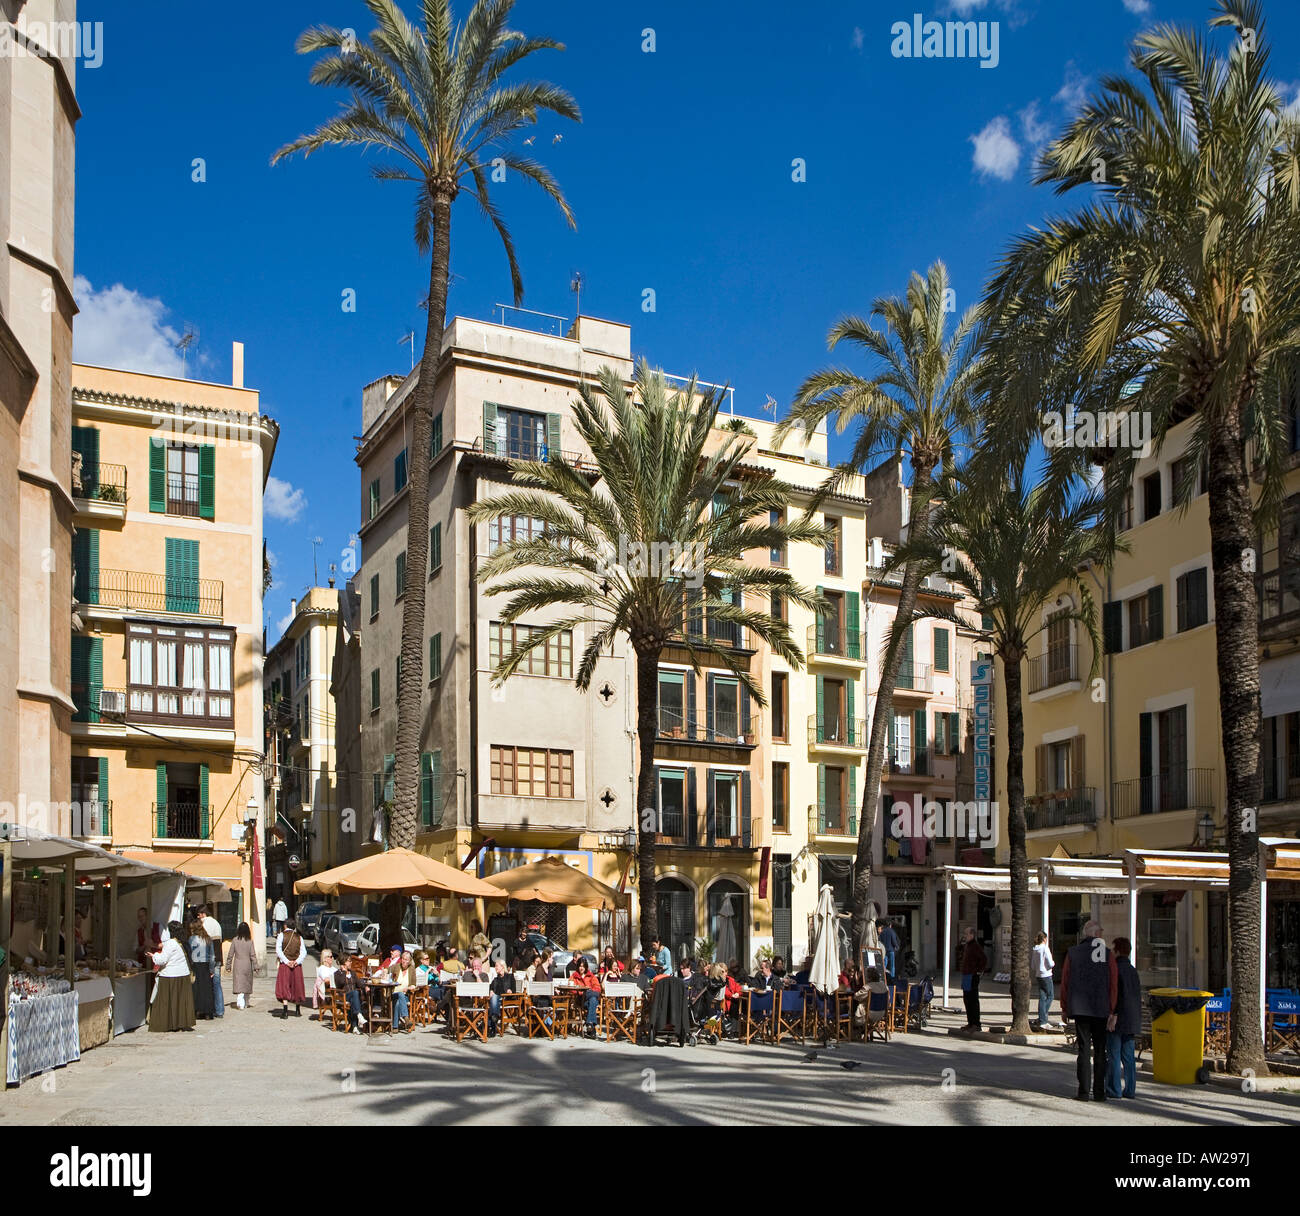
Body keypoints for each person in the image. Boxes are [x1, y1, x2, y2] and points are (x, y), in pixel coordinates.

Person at [1060, 920, 1118, 1102]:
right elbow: (1113, 983)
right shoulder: (1108, 955)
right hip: (1101, 1008)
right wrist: (1112, 1010)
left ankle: (1083, 1092)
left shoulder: (1073, 953)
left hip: (1080, 1008)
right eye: (1101, 932)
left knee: (1084, 1050)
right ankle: (1099, 1092)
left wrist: (1064, 1007)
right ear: (1097, 934)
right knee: (1101, 1051)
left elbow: (1065, 981)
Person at [1106, 936, 1141, 1100]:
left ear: (1118, 951)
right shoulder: (1133, 970)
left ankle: (1114, 1089)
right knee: (1128, 1058)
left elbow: (1116, 994)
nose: (1111, 952)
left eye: (1113, 949)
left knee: (1114, 1054)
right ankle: (1130, 1089)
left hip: (1118, 1018)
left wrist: (1113, 1014)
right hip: (1132, 1019)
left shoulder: (1115, 970)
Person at [148, 921, 197, 1032]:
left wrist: (154, 955)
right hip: (182, 974)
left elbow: (162, 960)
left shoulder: (170, 943)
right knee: (180, 1001)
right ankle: (181, 1022)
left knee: (167, 1001)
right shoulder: (182, 942)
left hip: (170, 975)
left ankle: (168, 1024)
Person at [275, 918, 307, 1018]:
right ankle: (297, 1010)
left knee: (284, 985)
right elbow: (304, 952)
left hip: (285, 965)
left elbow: (278, 950)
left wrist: (287, 961)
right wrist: (296, 962)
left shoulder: (281, 935)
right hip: (296, 965)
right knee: (297, 985)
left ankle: (285, 1011)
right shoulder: (299, 937)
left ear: (285, 926)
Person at [959, 927, 988, 1032]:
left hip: (972, 976)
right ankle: (970, 1022)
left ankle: (976, 1023)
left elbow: (983, 959)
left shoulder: (975, 946)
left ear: (972, 935)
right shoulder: (967, 946)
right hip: (966, 975)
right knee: (966, 999)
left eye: (966, 934)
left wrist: (979, 971)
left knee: (973, 999)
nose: (964, 936)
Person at [197, 905, 224, 1018]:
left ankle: (212, 1009)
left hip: (210, 959)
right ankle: (220, 1010)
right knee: (217, 984)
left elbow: (205, 943)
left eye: (198, 915)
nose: (198, 918)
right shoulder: (216, 923)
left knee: (209, 985)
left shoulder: (205, 923)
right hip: (218, 957)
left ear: (203, 914)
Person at [188, 919, 216, 1020]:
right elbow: (212, 955)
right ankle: (208, 1012)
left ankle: (197, 1010)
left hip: (195, 965)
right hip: (205, 965)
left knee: (196, 989)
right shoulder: (207, 939)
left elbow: (189, 953)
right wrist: (212, 969)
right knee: (207, 990)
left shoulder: (191, 939)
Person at [225, 922, 257, 1009]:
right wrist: (256, 966)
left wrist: (228, 966)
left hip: (238, 964)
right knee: (246, 983)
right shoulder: (250, 941)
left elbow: (230, 954)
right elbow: (253, 955)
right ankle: (246, 1002)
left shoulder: (235, 940)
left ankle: (240, 1002)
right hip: (247, 964)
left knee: (239, 983)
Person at [334, 955, 367, 1035]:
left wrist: (365, 986)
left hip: (353, 998)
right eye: (349, 961)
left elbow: (359, 983)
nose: (351, 963)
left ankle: (355, 1027)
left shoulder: (352, 973)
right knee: (355, 993)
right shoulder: (338, 973)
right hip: (344, 997)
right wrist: (344, 972)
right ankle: (359, 1015)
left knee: (355, 997)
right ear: (344, 963)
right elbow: (340, 983)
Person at [1032, 931, 1058, 1029]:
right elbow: (1050, 963)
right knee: (1050, 996)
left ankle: (1041, 1018)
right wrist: (1053, 964)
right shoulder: (1045, 949)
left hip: (1038, 974)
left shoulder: (1035, 949)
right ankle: (1043, 1017)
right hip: (1046, 975)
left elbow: (1033, 965)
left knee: (1042, 996)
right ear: (1044, 939)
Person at [854, 966, 890, 1030]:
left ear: (868, 977)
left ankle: (857, 1031)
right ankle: (865, 1031)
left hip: (870, 1014)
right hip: (882, 1013)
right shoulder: (884, 986)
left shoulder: (868, 987)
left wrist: (857, 982)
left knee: (854, 1006)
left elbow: (856, 996)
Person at [488, 959, 516, 1036]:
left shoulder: (510, 977)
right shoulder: (495, 979)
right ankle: (495, 1016)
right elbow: (490, 988)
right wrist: (491, 990)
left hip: (506, 999)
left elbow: (514, 990)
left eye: (497, 966)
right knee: (494, 998)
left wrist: (510, 991)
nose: (495, 968)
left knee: (493, 999)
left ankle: (491, 1026)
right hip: (497, 1000)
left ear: (502, 967)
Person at [313, 948, 338, 1012]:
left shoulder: (334, 968)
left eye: (332, 956)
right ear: (325, 959)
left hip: (337, 987)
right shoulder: (322, 968)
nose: (332, 958)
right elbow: (326, 980)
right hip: (330, 989)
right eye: (330, 957)